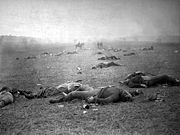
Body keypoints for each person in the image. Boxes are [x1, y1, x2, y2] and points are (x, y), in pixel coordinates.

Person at [49, 85, 143, 105]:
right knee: (83, 86)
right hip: (97, 89)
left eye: (126, 95)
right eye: (127, 93)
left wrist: (93, 100)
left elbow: (106, 101)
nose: (126, 92)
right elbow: (130, 93)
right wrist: (136, 92)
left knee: (74, 93)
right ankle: (72, 96)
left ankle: (59, 100)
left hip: (95, 93)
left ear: (123, 98)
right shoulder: (123, 92)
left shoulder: (116, 96)